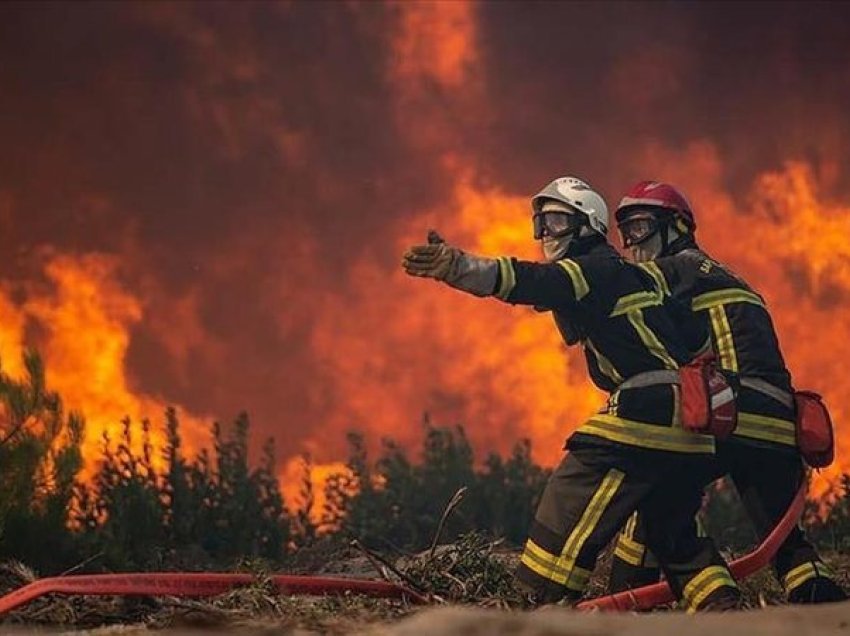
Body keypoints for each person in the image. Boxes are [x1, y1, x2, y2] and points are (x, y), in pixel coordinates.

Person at [402, 176, 740, 610]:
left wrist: (457, 266)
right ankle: (724, 609)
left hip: (648, 408)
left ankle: (538, 602)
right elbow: (695, 340)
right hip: (692, 423)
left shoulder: (591, 266)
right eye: (540, 223)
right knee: (669, 530)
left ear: (588, 226)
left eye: (558, 221)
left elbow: (528, 281)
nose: (546, 234)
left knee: (570, 491)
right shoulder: (637, 276)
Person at [610, 180, 846, 604]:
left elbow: (613, 287)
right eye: (625, 233)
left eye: (641, 227)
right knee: (782, 531)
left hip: (729, 413)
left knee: (657, 496)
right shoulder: (727, 275)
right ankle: (819, 596)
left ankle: (696, 595)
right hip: (778, 421)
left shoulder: (673, 269)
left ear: (676, 227)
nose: (632, 243)